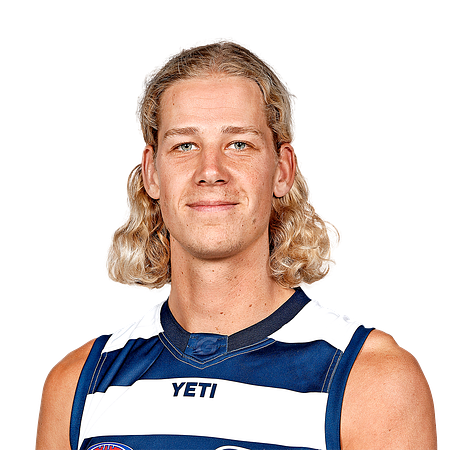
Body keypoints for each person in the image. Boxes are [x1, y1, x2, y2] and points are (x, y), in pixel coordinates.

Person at [35, 37, 438, 450]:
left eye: (239, 144)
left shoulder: (371, 382)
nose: (211, 171)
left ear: (282, 170)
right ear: (151, 173)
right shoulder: (77, 386)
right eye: (185, 145)